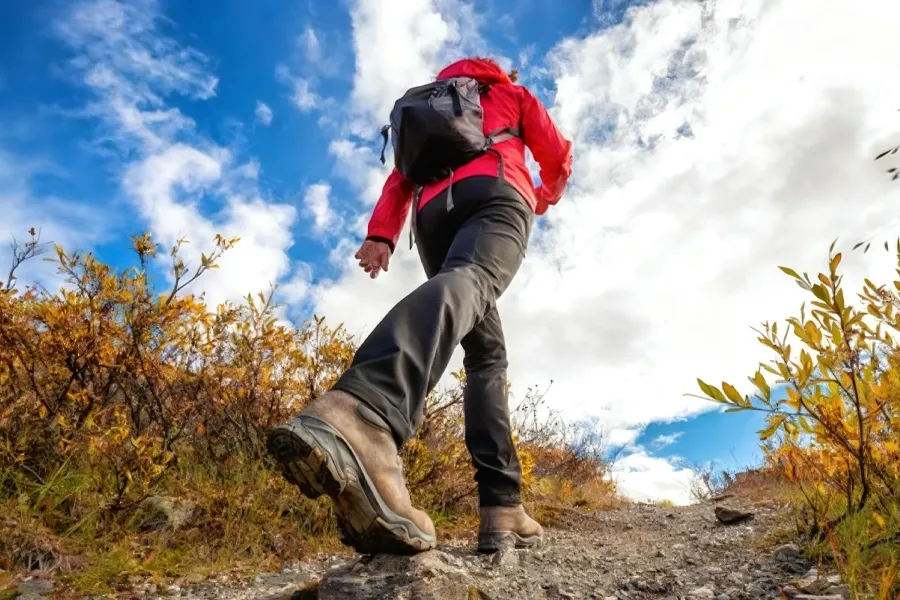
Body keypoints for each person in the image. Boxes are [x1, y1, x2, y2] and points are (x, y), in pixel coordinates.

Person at [267, 56, 573, 555]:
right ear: (497, 72)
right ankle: (365, 412)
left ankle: (502, 505)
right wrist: (543, 194)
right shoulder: (508, 93)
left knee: (486, 356)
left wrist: (381, 235)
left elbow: (400, 180)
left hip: (432, 218)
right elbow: (555, 152)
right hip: (497, 191)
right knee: (473, 280)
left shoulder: (427, 108)